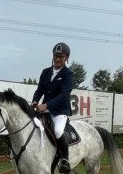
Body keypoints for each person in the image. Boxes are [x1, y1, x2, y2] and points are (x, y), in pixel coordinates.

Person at [31, 42, 73, 173]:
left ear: (66, 58)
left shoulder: (67, 74)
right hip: (45, 109)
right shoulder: (46, 72)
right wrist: (35, 101)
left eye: (61, 56)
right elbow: (39, 90)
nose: (58, 59)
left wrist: (47, 105)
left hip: (60, 111)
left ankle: (65, 159)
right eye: (56, 56)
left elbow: (65, 95)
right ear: (53, 56)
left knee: (58, 131)